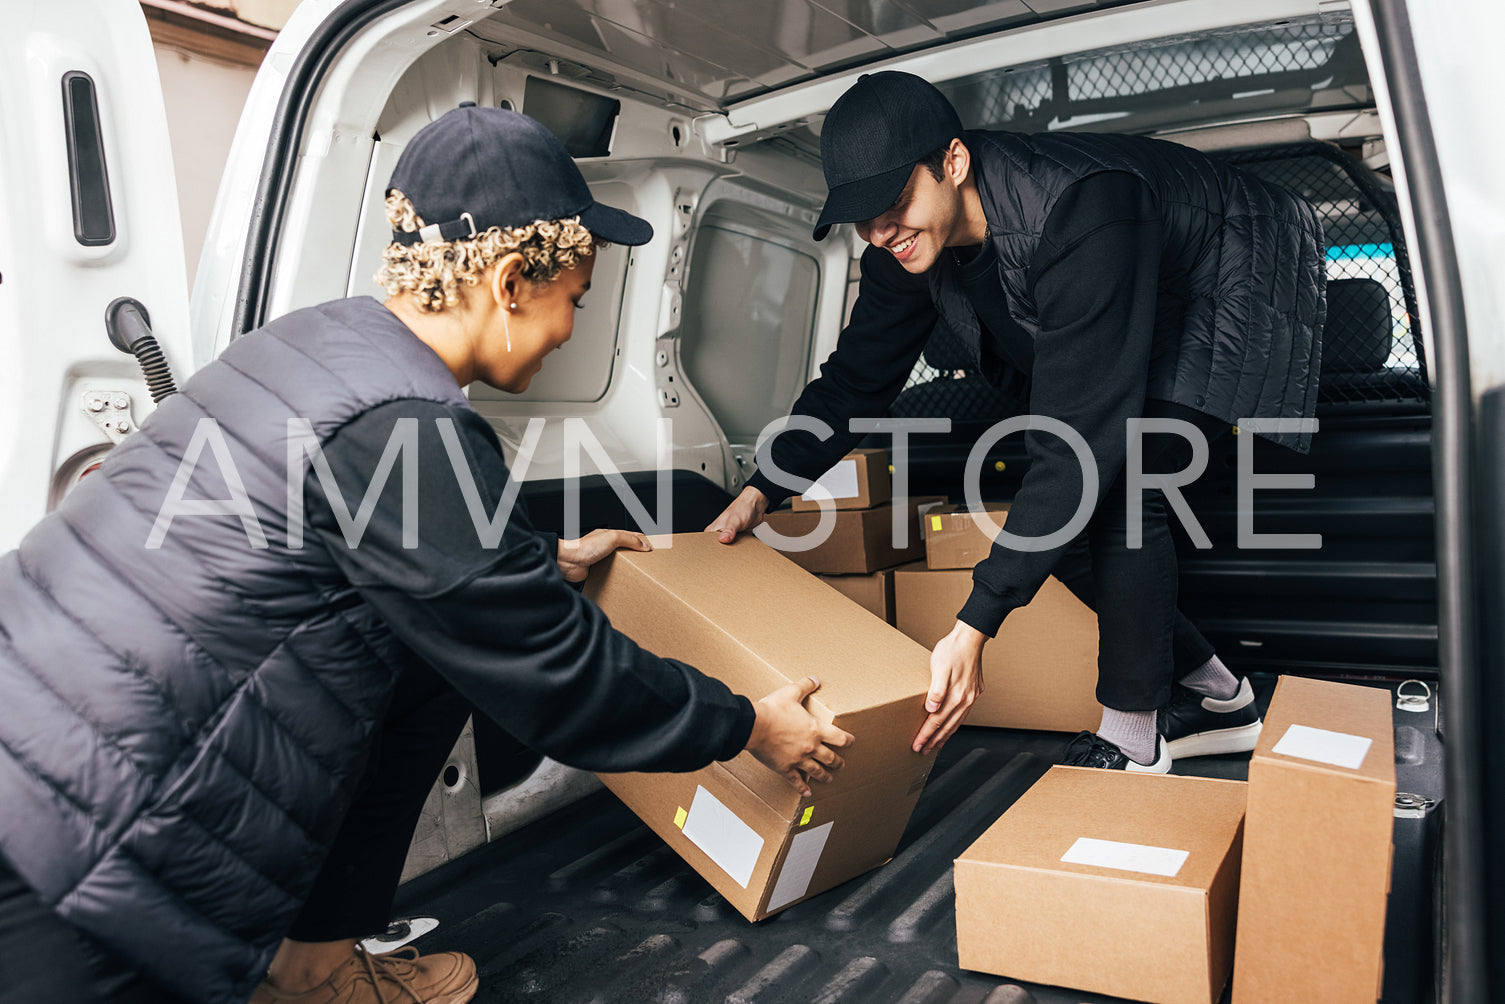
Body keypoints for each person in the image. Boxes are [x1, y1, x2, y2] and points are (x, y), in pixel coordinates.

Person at [0, 105, 853, 1004]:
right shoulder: (406, 422)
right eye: (577, 299)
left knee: (428, 661)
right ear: (513, 279)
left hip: (47, 754)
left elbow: (386, 545)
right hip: (73, 847)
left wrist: (542, 557)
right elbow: (557, 676)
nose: (570, 328)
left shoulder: (320, 347)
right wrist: (751, 726)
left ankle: (314, 970)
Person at [709, 71, 1324, 772]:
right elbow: (856, 378)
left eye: (892, 202)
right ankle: (1220, 698)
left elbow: (1083, 440)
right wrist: (765, 487)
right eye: (860, 215)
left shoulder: (1081, 205)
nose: (878, 231)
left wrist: (974, 624)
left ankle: (1133, 736)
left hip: (1225, 278)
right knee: (1055, 526)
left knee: (1124, 483)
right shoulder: (897, 246)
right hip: (1130, 302)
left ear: (953, 162)